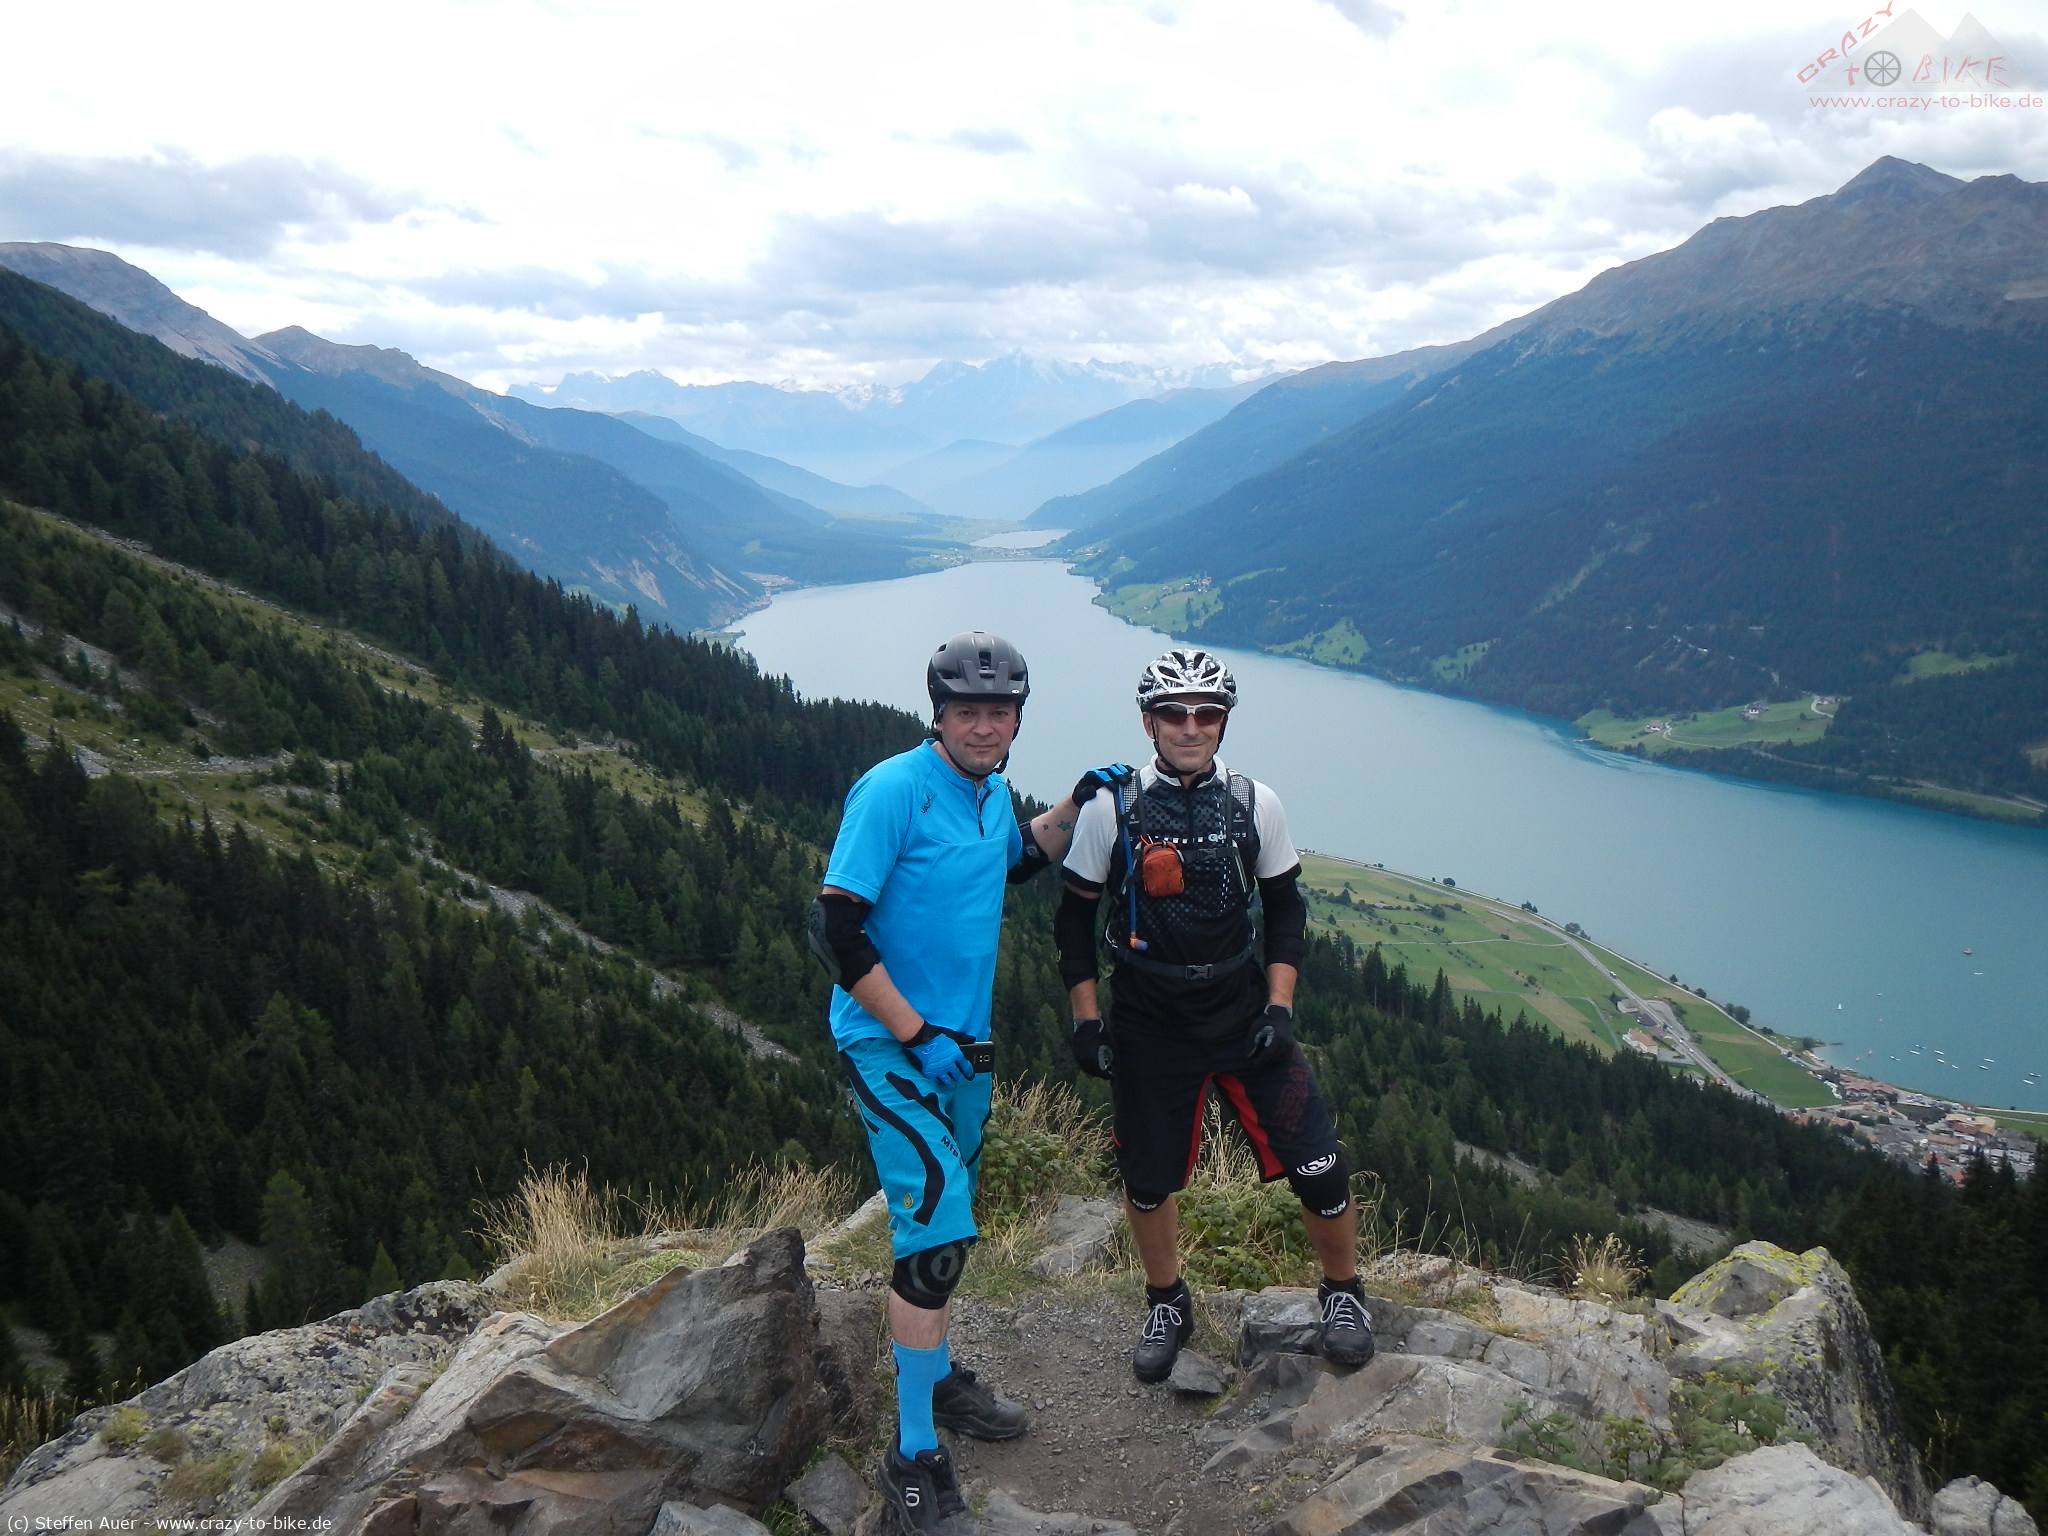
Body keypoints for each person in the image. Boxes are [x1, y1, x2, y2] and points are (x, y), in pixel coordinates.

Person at [807, 630, 1130, 1536]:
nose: (984, 726)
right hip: (892, 1046)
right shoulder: (894, 789)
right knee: (939, 1231)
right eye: (968, 712)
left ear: (1017, 720)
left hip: (965, 1052)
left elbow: (1013, 858)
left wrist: (1075, 803)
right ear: (938, 714)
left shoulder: (987, 796)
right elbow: (834, 928)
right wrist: (916, 1032)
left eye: (1000, 712)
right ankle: (912, 1453)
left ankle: (937, 1375)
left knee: (942, 1232)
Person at [1054, 648, 1375, 1383]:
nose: (1190, 726)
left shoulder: (1256, 803)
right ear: (1149, 723)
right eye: (1174, 713)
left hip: (1240, 1012)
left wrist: (1280, 1008)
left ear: (1223, 723)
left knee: (1320, 1167)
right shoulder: (1112, 808)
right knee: (1148, 1179)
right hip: (1148, 1020)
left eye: (1207, 713)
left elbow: (1286, 908)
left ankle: (1343, 1292)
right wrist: (1087, 1021)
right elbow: (1073, 920)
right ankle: (1167, 1301)